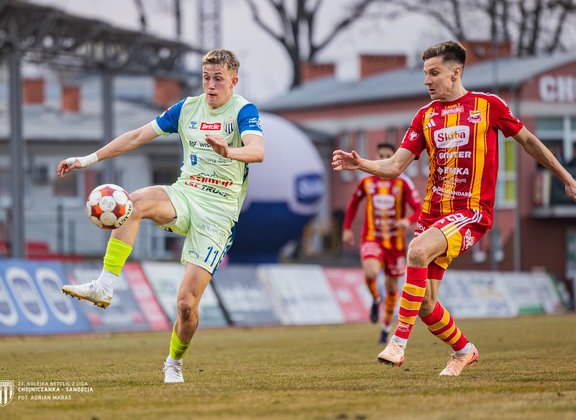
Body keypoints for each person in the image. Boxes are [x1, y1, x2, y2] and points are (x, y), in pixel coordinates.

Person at [332, 40, 576, 376]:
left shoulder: (488, 106)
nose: (427, 81)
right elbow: (395, 165)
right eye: (425, 74)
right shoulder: (425, 116)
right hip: (432, 216)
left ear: (455, 72)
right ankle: (464, 350)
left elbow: (530, 142)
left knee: (417, 251)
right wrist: (361, 164)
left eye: (434, 73)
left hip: (471, 212)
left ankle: (398, 343)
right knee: (425, 304)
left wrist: (567, 178)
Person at [57, 49, 264, 383]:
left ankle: (174, 363)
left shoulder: (243, 111)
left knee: (186, 305)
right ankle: (104, 286)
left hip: (220, 211)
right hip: (186, 194)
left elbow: (258, 151)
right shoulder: (187, 108)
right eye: (206, 78)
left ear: (233, 81)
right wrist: (87, 159)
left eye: (218, 79)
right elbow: (138, 136)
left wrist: (229, 151)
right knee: (133, 203)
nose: (211, 85)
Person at [341, 143, 422, 343]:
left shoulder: (404, 182)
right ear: (376, 156)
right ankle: (377, 298)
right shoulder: (366, 180)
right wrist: (347, 228)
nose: (385, 158)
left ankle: (385, 328)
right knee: (370, 273)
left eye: (388, 155)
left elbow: (419, 208)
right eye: (381, 155)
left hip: (395, 244)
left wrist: (408, 221)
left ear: (393, 157)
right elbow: (353, 203)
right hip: (372, 237)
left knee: (392, 288)